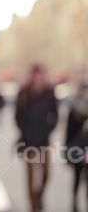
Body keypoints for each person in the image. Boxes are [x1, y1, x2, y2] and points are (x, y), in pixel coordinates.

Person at [15, 65, 58, 212]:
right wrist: (25, 133)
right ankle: (33, 206)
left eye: (41, 76)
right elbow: (18, 117)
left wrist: (48, 130)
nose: (38, 79)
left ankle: (39, 196)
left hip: (44, 140)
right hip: (28, 141)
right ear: (32, 76)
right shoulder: (23, 93)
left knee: (46, 174)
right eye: (36, 76)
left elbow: (55, 115)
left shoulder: (49, 92)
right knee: (31, 177)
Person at [65, 83, 88, 212]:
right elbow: (69, 133)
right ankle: (74, 201)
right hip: (78, 149)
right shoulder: (74, 110)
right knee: (77, 177)